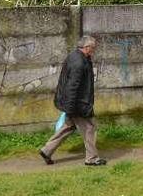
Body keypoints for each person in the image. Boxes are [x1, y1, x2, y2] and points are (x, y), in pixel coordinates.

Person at [39, 35, 106, 166]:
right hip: (78, 104)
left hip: (72, 102)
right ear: (86, 48)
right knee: (89, 128)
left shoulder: (74, 56)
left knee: (68, 127)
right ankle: (91, 158)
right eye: (93, 48)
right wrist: (70, 109)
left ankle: (47, 150)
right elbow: (72, 87)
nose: (94, 50)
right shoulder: (79, 63)